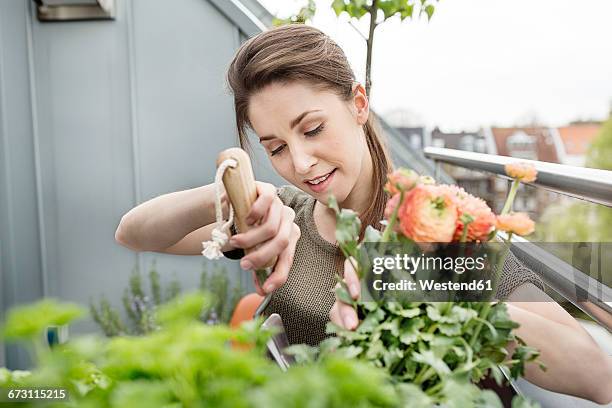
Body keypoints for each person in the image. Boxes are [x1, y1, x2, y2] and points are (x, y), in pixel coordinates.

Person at [115, 24, 612, 404]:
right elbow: (134, 232)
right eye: (275, 147)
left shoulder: (443, 226)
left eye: (311, 129)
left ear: (358, 104)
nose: (301, 163)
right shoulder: (280, 217)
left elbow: (595, 374)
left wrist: (424, 284)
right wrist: (230, 193)